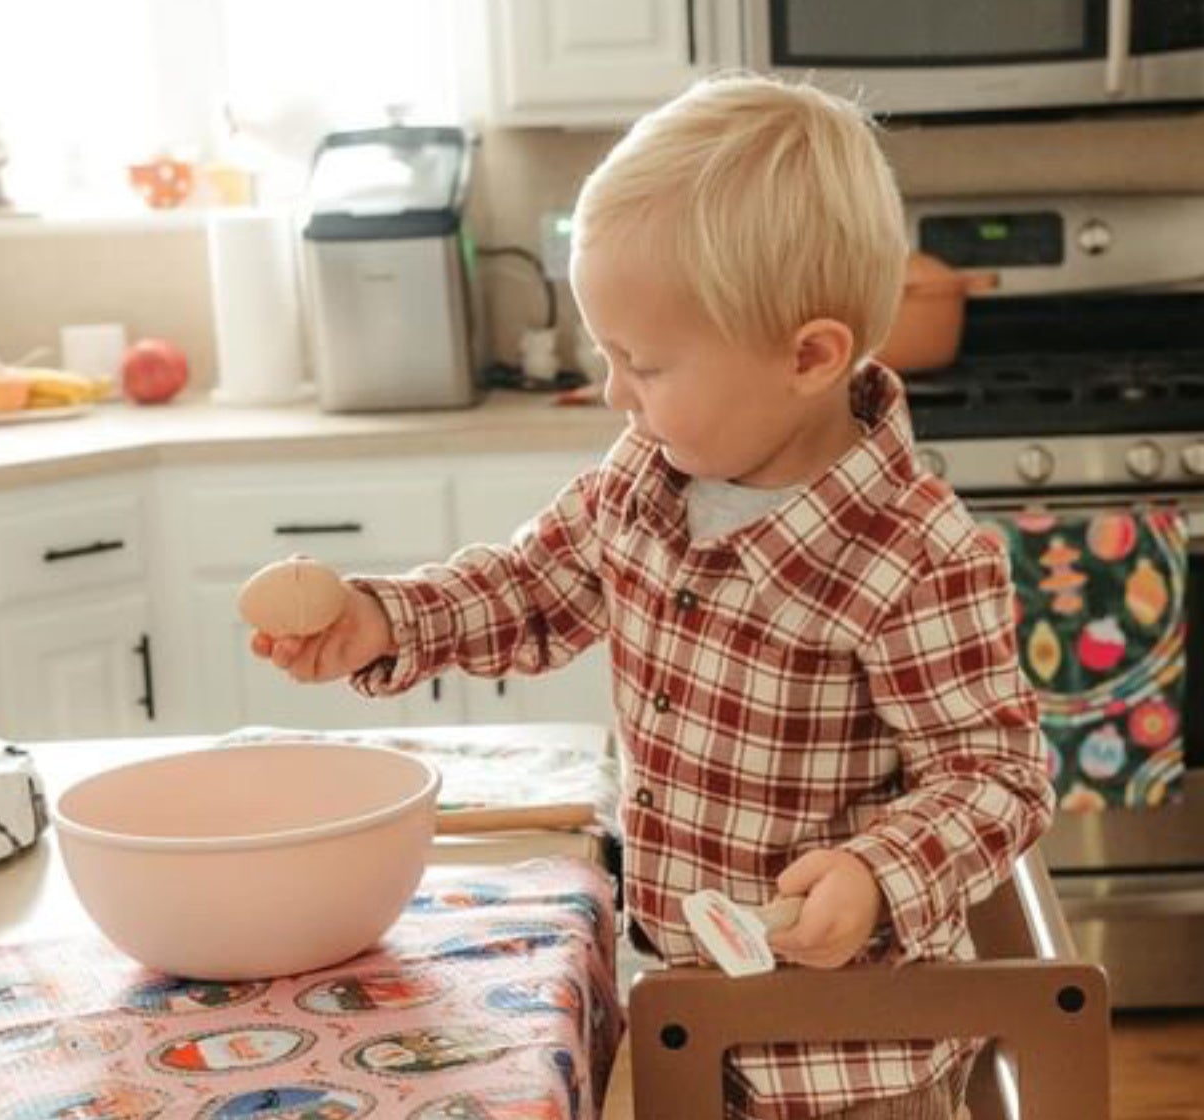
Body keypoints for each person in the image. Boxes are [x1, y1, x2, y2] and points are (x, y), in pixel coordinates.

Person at [253, 74, 1050, 1120]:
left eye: (645, 362)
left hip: (847, 1060)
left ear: (808, 357)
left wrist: (876, 872)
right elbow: (535, 587)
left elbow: (998, 774)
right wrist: (384, 619)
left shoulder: (911, 556)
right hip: (688, 1010)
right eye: (609, 355)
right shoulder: (649, 473)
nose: (618, 392)